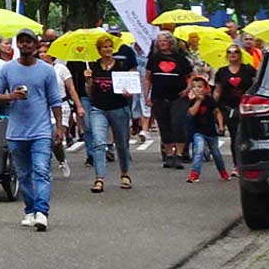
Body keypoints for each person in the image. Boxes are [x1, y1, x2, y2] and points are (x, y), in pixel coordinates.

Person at [0, 30, 64, 231]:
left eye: (29, 42)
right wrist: (11, 96)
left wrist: (59, 127)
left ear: (35, 45)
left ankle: (41, 212)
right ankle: (30, 210)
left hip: (41, 130)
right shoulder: (7, 69)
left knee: (41, 171)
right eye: (21, 42)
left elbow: (55, 100)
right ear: (18, 45)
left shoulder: (46, 70)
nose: (25, 45)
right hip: (16, 132)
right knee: (23, 174)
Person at [82, 34, 136, 192]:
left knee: (122, 144)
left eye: (110, 47)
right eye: (104, 47)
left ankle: (125, 174)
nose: (108, 49)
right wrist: (88, 81)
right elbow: (90, 93)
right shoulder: (93, 66)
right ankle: (99, 179)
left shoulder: (121, 65)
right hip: (98, 108)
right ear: (99, 50)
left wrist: (128, 93)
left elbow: (130, 90)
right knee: (99, 143)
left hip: (119, 107)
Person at [144, 32, 195, 170]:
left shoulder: (180, 58)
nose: (162, 43)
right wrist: (146, 96)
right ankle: (168, 154)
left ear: (171, 42)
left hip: (178, 97)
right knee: (164, 125)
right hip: (159, 96)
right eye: (159, 41)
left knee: (178, 124)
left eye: (164, 40)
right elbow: (148, 78)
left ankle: (179, 154)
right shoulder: (153, 59)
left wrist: (187, 89)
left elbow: (191, 75)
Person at [38, 37, 83, 179]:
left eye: (45, 52)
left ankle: (62, 160)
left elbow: (71, 88)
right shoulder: (37, 69)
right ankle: (45, 168)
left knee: (55, 138)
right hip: (43, 107)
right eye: (40, 52)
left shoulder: (61, 69)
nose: (42, 55)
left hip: (61, 106)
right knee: (45, 139)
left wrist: (78, 106)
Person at [213, 43, 258, 151]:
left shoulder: (248, 69)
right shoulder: (222, 72)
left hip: (246, 106)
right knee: (234, 135)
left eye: (236, 52)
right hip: (228, 107)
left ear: (240, 55)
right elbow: (218, 90)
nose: (233, 54)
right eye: (230, 52)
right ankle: (236, 159)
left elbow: (255, 86)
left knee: (247, 133)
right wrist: (213, 105)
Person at [184, 75, 230, 182]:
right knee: (198, 151)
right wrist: (198, 101)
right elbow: (191, 113)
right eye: (194, 87)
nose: (197, 89)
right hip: (197, 131)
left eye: (200, 87)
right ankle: (194, 173)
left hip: (210, 131)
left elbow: (217, 112)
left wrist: (221, 125)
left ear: (205, 89)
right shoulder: (192, 101)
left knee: (216, 153)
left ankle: (223, 172)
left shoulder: (210, 100)